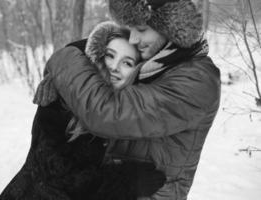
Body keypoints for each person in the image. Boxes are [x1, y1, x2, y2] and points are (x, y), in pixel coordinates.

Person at [33, 0, 221, 199]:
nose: (133, 38)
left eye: (140, 29)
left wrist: (65, 59)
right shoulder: (160, 60)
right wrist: (83, 57)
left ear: (171, 28)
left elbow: (107, 113)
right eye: (130, 29)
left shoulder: (197, 81)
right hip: (114, 189)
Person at [0, 21, 166, 200]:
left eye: (127, 62)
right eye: (110, 55)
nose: (114, 67)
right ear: (98, 56)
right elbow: (58, 175)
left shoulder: (119, 106)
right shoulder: (61, 98)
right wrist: (129, 182)